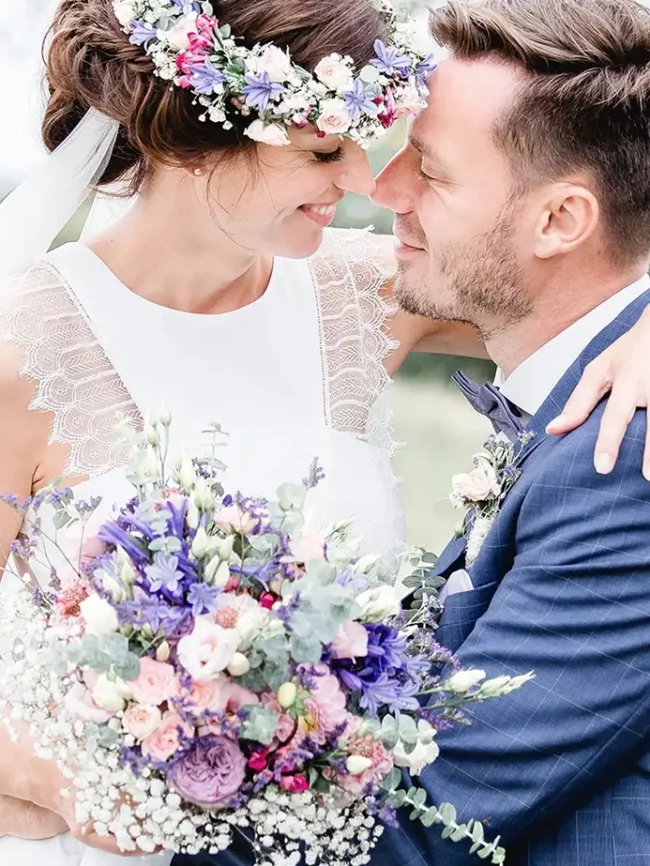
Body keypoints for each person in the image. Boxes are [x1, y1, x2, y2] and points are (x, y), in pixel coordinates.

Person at [0, 0, 649, 865]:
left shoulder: (364, 294)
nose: (362, 182)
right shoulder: (20, 354)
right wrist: (66, 783)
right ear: (196, 141)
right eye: (321, 148)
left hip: (340, 829)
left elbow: (586, 261)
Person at [370, 0, 650, 863]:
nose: (385, 193)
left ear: (561, 221)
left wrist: (113, 822)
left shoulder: (625, 453)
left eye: (430, 170)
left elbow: (430, 818)